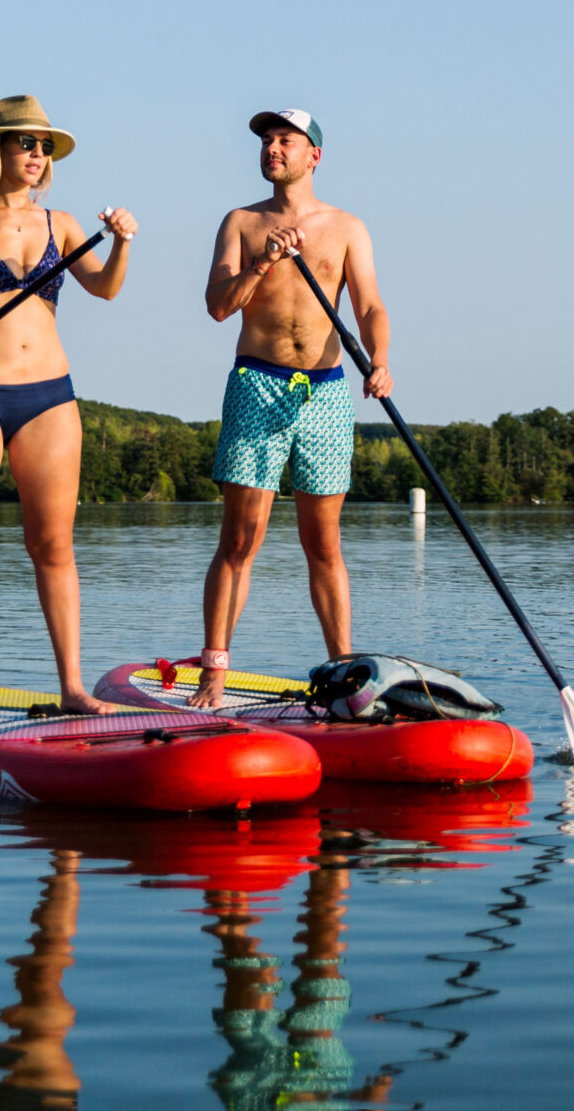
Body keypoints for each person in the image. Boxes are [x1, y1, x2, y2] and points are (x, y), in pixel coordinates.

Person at [0, 95, 137, 727]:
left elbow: (106, 287)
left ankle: (72, 686)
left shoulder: (63, 225)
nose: (36, 155)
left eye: (44, 146)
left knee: (54, 546)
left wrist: (122, 243)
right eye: (24, 143)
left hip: (49, 398)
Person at [190, 108, 391, 708]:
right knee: (240, 539)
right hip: (257, 382)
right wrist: (262, 263)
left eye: (286, 140)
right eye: (266, 140)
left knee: (323, 544)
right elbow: (217, 306)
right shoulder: (242, 222)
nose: (273, 148)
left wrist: (379, 359)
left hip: (326, 391)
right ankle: (213, 672)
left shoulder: (347, 226)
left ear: (314, 156)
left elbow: (371, 306)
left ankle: (342, 676)